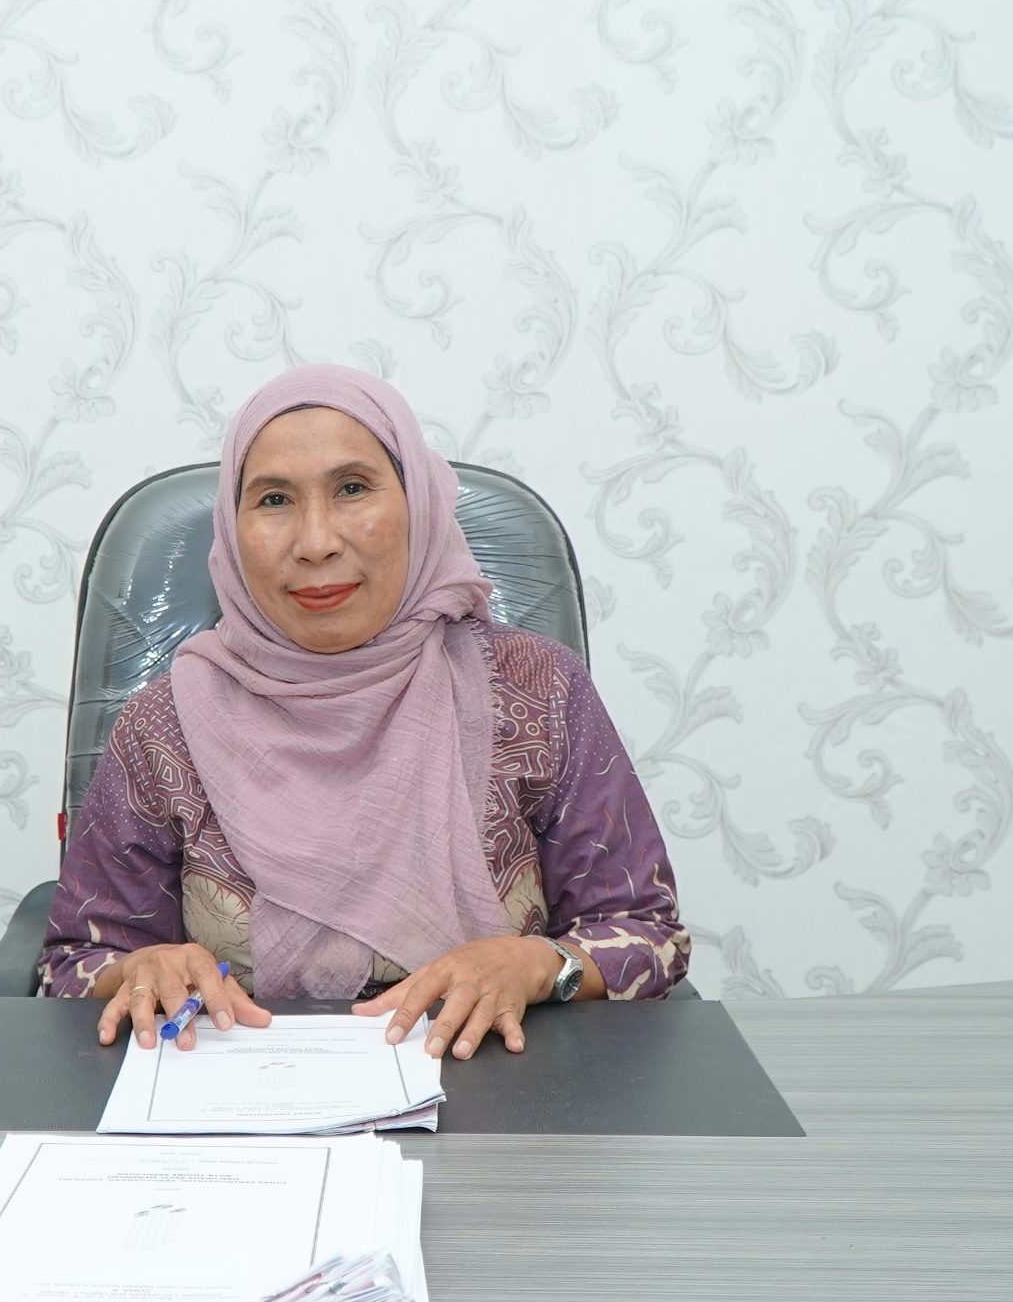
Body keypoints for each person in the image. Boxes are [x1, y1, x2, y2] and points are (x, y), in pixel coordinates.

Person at [39, 364, 688, 1060]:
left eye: (352, 488)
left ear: (418, 506)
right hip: (243, 1096)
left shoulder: (538, 689)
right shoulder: (164, 727)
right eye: (274, 500)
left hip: (505, 1088)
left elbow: (647, 934)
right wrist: (140, 970)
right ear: (231, 528)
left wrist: (539, 965)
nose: (315, 541)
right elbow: (73, 962)